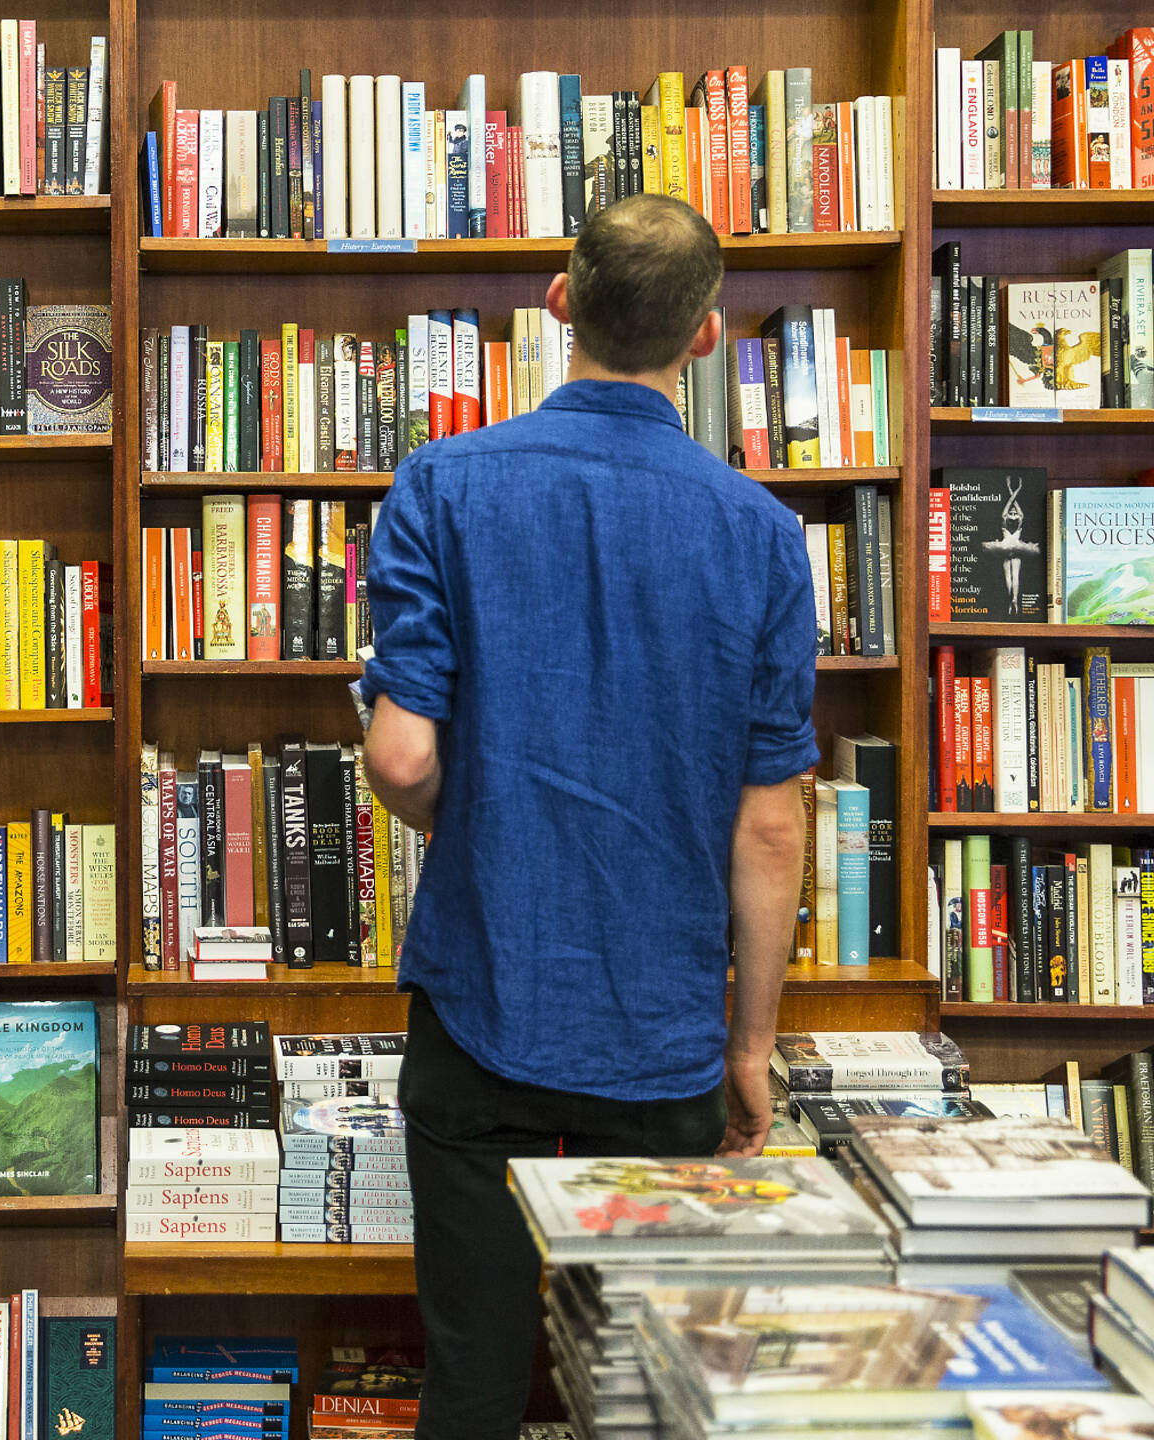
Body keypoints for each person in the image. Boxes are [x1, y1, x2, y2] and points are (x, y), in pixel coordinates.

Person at [358, 193, 817, 1438]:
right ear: (706, 336)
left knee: (472, 1381)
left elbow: (401, 756)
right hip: (663, 1035)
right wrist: (749, 1045)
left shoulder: (442, 486)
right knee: (646, 1393)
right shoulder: (767, 539)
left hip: (480, 1010)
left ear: (559, 302)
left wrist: (480, 818)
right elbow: (770, 830)